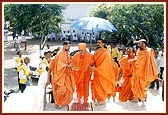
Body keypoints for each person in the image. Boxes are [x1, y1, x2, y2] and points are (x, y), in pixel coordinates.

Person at [46, 41, 75, 108]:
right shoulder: (60, 54)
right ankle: (58, 102)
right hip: (59, 75)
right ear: (64, 46)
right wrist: (67, 66)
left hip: (66, 75)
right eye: (68, 46)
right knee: (62, 89)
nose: (69, 48)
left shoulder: (67, 53)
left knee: (68, 90)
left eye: (69, 46)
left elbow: (68, 62)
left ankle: (63, 102)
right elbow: (60, 65)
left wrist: (70, 64)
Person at [131, 39, 158, 106]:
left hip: (145, 71)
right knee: (136, 85)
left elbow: (152, 61)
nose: (138, 45)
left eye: (140, 44)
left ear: (144, 44)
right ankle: (136, 98)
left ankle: (143, 101)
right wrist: (132, 60)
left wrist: (152, 71)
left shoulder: (149, 51)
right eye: (138, 44)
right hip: (137, 70)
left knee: (143, 87)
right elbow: (137, 59)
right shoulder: (138, 51)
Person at [91, 38, 116, 105]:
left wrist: (96, 69)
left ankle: (101, 100)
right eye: (97, 42)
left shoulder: (106, 53)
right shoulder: (96, 52)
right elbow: (93, 62)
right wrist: (92, 65)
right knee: (96, 86)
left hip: (103, 73)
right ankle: (99, 99)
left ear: (103, 44)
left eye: (99, 42)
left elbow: (106, 65)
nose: (97, 44)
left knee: (102, 86)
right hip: (96, 73)